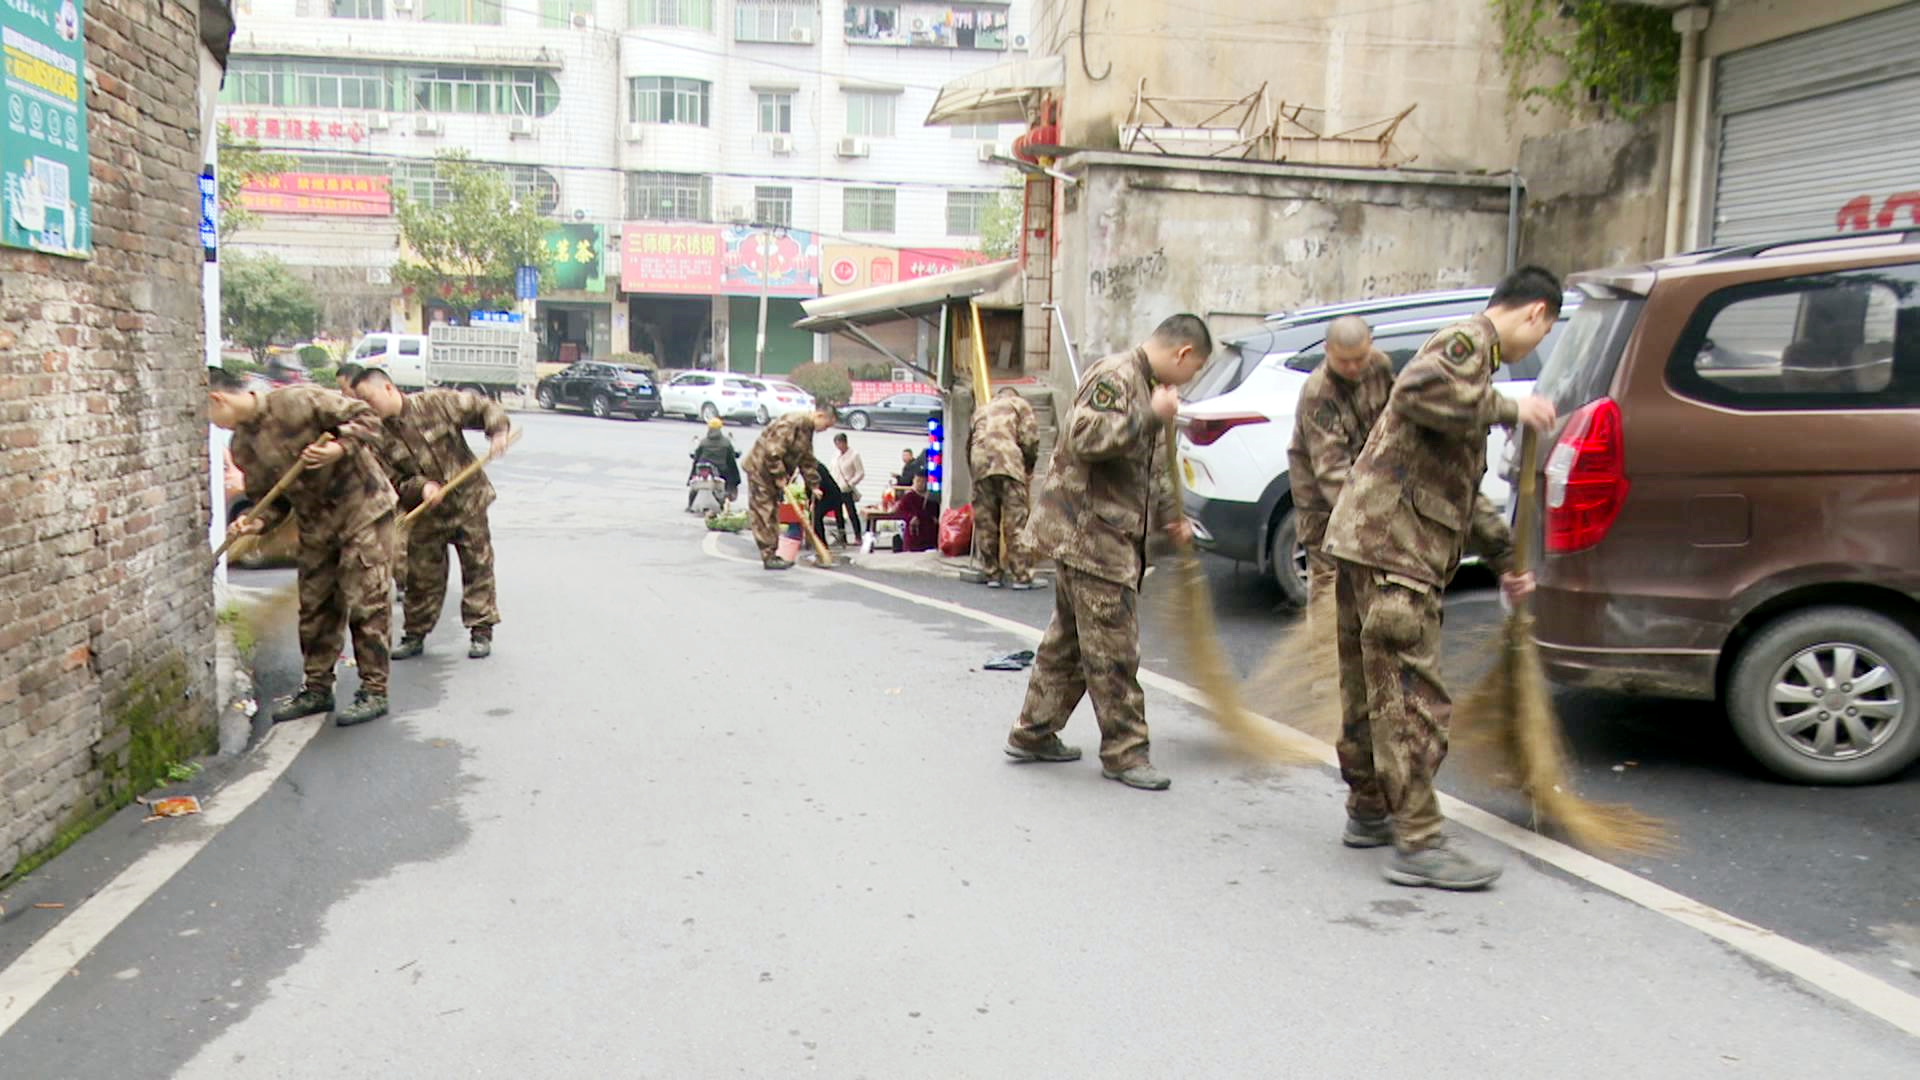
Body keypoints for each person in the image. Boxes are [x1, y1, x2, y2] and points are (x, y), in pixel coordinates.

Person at [1321, 266, 1561, 891]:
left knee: (1367, 689)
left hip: (1368, 541)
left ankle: (1371, 810)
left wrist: (1506, 561)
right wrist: (1513, 407)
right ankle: (1420, 842)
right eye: (1543, 332)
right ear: (1535, 313)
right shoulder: (1466, 344)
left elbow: (1458, 490)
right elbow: (1414, 392)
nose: (1533, 348)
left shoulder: (1472, 370)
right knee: (1409, 700)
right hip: (1396, 551)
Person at [1003, 314, 1212, 791]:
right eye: (1194, 369)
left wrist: (1167, 519)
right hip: (1090, 536)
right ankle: (1125, 752)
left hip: (1109, 536)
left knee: (1070, 645)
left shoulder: (1151, 388)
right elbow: (1084, 439)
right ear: (1182, 354)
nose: (1190, 380)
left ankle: (1033, 732)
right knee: (1115, 651)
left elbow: (1147, 467)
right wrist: (1150, 416)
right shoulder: (1115, 377)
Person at [211, 367, 397, 726]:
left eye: (210, 415)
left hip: (362, 508)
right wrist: (256, 520)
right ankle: (316, 689)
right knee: (315, 607)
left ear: (217, 398)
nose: (214, 425)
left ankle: (374, 690)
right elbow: (272, 500)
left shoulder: (298, 400)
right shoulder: (243, 446)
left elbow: (368, 416)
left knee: (365, 600)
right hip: (315, 525)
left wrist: (339, 446)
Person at [350, 368, 512, 660]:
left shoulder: (436, 403)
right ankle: (415, 633)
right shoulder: (376, 438)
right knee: (422, 575)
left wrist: (497, 431)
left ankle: (481, 631)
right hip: (426, 513)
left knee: (478, 566)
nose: (367, 407)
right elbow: (391, 481)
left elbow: (484, 408)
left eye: (368, 398)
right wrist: (421, 487)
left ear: (388, 388)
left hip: (468, 502)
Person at [1287, 315, 1393, 603]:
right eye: (1343, 361)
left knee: (1369, 592)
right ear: (1327, 351)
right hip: (1324, 507)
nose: (1353, 367)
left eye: (1359, 358)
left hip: (1368, 488)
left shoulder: (1380, 367)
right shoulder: (1318, 393)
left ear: (1370, 346)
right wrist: (1368, 520)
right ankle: (1320, 648)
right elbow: (1332, 472)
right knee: (1328, 593)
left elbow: (1394, 421)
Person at [742, 404, 834, 570]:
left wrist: (813, 485)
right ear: (819, 415)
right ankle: (769, 555)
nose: (825, 430)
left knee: (772, 511)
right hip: (760, 470)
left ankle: (772, 553)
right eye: (826, 426)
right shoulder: (793, 422)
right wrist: (780, 476)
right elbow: (772, 451)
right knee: (765, 511)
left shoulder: (806, 429)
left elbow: (806, 459)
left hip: (774, 473)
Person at [968, 387, 1040, 589]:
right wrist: (1028, 466)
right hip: (1009, 463)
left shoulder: (982, 409)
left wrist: (974, 472)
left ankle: (991, 573)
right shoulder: (1019, 405)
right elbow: (1030, 438)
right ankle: (1021, 575)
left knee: (986, 522)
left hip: (980, 462)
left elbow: (969, 441)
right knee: (1015, 522)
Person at [689, 417, 741, 510]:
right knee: (731, 474)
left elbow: (696, 457)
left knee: (694, 482)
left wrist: (691, 476)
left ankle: (689, 505)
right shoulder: (726, 442)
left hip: (703, 468)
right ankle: (726, 497)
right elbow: (731, 460)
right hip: (721, 470)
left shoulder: (703, 442)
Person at [830, 433, 865, 545]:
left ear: (845, 442)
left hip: (846, 488)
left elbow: (860, 472)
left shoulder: (854, 455)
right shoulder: (836, 455)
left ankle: (858, 536)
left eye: (840, 443)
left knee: (851, 513)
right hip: (836, 488)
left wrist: (851, 483)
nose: (838, 446)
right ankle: (842, 537)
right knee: (838, 513)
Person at [892, 474, 940, 552]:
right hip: (914, 536)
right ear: (914, 482)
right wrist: (911, 517)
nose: (920, 484)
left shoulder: (931, 499)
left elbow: (935, 513)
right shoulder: (908, 497)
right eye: (918, 481)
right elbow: (900, 512)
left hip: (929, 537)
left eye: (923, 481)